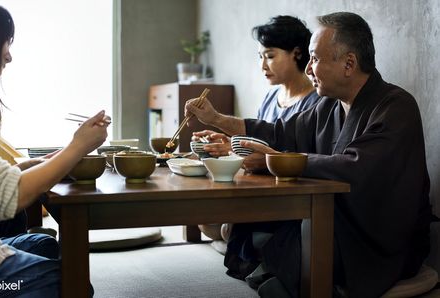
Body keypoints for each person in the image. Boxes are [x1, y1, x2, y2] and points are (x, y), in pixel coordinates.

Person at [185, 12, 432, 298]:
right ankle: (286, 274)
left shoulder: (396, 106)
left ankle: (300, 279)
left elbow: (355, 167)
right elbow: (279, 132)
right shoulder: (328, 106)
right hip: (340, 218)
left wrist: (272, 161)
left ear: (349, 63)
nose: (308, 70)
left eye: (314, 59)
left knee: (293, 239)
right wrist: (215, 119)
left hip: (381, 237)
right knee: (254, 223)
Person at [0, 1, 109, 297]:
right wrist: (77, 146)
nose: (8, 54)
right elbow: (4, 197)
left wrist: (62, 155)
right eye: (4, 40)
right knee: (73, 282)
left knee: (45, 245)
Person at [195, 16, 319, 253]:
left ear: (296, 53)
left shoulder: (316, 102)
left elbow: (300, 156)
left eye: (270, 56)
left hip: (285, 195)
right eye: (260, 57)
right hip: (255, 185)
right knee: (205, 222)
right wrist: (228, 143)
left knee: (224, 230)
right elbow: (256, 144)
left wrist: (235, 149)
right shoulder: (271, 98)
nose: (263, 66)